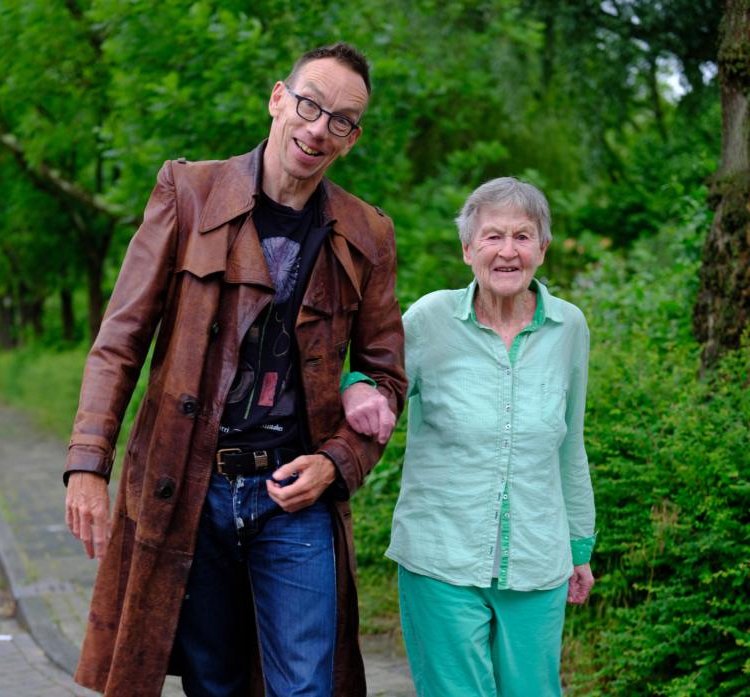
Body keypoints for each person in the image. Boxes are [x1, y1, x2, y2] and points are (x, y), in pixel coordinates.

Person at [63, 42, 406, 697]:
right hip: (190, 489)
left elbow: (386, 378)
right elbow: (119, 340)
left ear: (352, 139)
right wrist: (87, 462)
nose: (318, 128)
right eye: (310, 104)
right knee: (213, 683)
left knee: (307, 686)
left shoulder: (367, 234)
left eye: (340, 119)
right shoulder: (188, 193)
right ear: (279, 98)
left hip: (296, 495)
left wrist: (335, 462)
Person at [383, 178, 597, 696]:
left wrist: (580, 545)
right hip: (439, 559)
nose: (507, 251)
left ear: (542, 250)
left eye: (523, 237)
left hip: (538, 559)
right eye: (492, 236)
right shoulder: (429, 319)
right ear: (467, 249)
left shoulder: (570, 327)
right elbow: (375, 392)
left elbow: (571, 444)